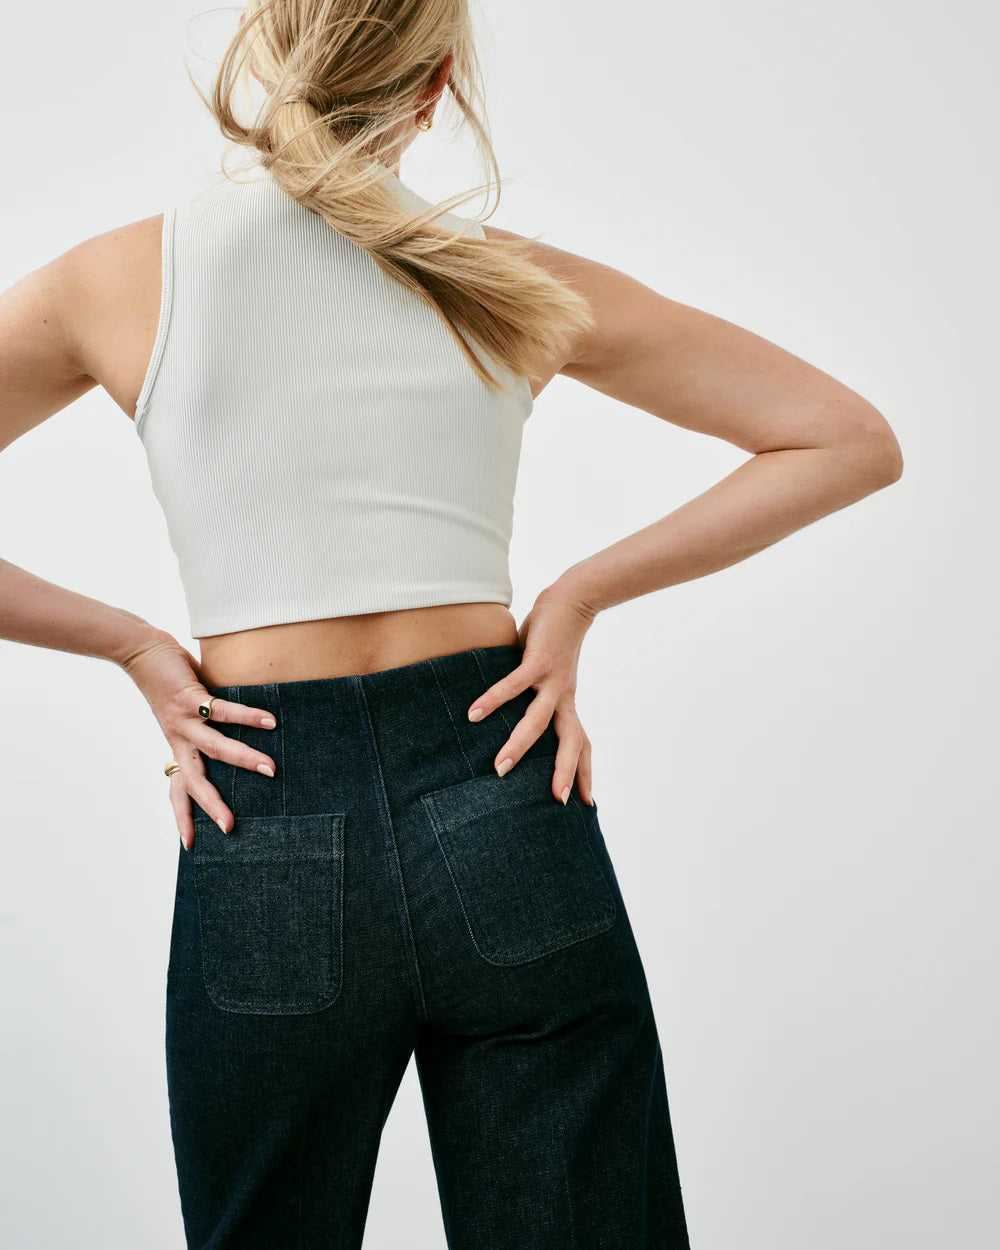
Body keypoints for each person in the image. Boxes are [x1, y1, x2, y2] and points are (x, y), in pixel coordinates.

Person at [0, 2, 903, 1247]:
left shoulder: (110, 280)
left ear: (264, 58)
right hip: (500, 782)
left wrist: (137, 645)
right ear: (433, 90)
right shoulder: (506, 281)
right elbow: (847, 438)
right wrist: (577, 593)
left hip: (261, 797)